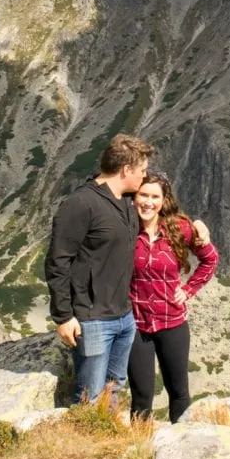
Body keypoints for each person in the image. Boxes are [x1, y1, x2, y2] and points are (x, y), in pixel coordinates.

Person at [44, 133, 153, 404]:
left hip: (124, 316)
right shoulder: (81, 204)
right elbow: (58, 260)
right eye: (142, 171)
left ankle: (104, 439)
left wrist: (195, 227)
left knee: (113, 388)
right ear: (126, 170)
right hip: (92, 319)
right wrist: (63, 316)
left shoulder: (127, 201)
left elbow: (162, 213)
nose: (145, 176)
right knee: (89, 395)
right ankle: (81, 441)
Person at [128, 171, 219, 423]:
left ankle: (181, 445)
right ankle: (139, 449)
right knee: (141, 393)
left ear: (164, 200)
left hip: (173, 323)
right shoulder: (125, 226)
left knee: (178, 392)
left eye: (154, 196)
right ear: (134, 197)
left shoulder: (180, 228)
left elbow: (210, 259)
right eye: (143, 195)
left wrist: (188, 290)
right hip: (136, 325)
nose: (148, 202)